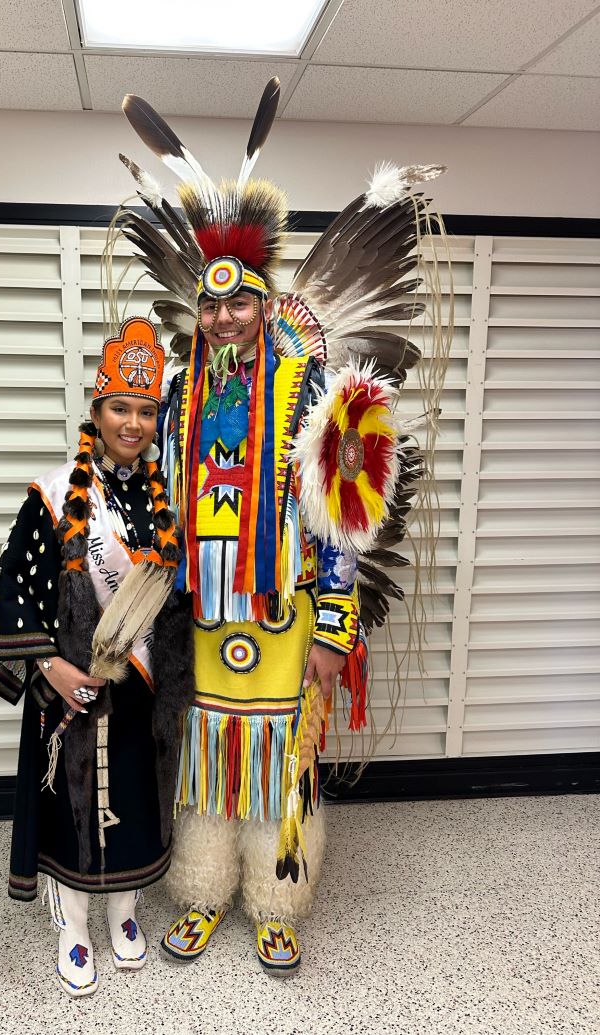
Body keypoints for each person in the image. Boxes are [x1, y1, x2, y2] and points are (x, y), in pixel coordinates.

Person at [115, 78, 449, 973]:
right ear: (205, 313)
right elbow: (171, 507)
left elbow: (342, 522)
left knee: (281, 760)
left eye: (240, 302)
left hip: (286, 613)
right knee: (209, 760)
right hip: (213, 617)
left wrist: (336, 627)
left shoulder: (311, 390)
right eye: (212, 305)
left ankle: (277, 898)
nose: (224, 316)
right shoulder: (184, 397)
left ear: (263, 303)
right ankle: (203, 891)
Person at [0, 317, 194, 997]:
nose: (133, 422)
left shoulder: (164, 501)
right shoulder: (52, 494)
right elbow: (12, 589)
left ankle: (124, 913)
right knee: (73, 808)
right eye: (120, 407)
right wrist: (49, 666)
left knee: (135, 800)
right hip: (68, 690)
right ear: (95, 410)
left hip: (139, 692)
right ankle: (73, 923)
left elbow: (175, 599)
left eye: (146, 410)